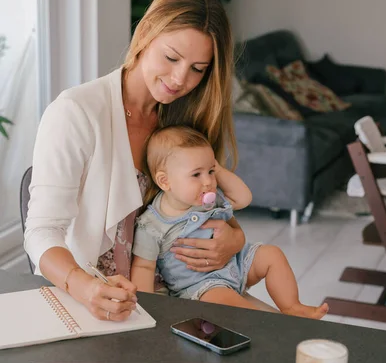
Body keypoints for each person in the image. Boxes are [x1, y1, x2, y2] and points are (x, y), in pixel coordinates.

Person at [25, 0, 267, 321]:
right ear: (146, 34)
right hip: (100, 298)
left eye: (198, 69)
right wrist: (83, 287)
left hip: (186, 289)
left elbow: (212, 207)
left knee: (285, 341)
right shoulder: (76, 112)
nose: (179, 79)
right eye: (171, 57)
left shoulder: (183, 117)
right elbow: (41, 232)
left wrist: (235, 239)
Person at [131, 125, 329, 318]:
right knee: (227, 301)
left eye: (210, 172)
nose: (208, 181)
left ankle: (292, 306)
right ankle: (266, 323)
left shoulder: (208, 198)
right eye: (196, 174)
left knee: (272, 255)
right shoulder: (152, 226)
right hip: (202, 287)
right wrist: (148, 310)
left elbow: (244, 198)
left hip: (236, 263)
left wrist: (217, 170)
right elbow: (143, 267)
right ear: (165, 181)